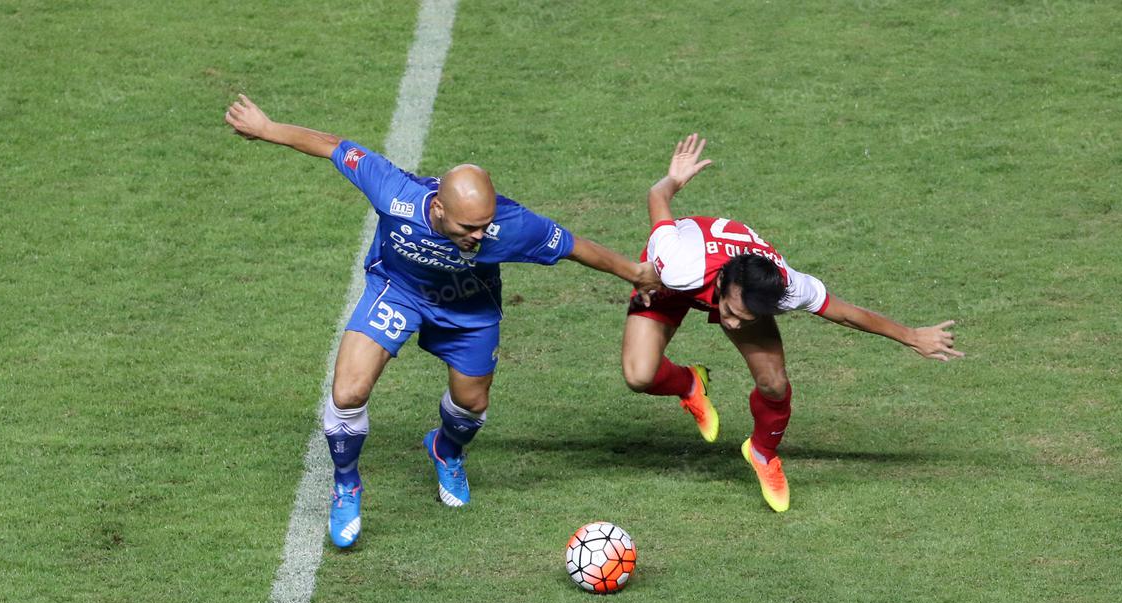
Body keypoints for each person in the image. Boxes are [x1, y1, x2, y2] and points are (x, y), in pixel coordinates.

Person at [225, 94, 661, 548]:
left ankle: (446, 451)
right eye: (468, 228)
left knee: (471, 404)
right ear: (438, 210)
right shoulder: (395, 193)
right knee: (348, 390)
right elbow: (335, 146)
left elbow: (574, 246)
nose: (478, 237)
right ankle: (346, 484)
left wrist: (633, 272)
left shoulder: (509, 226)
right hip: (398, 291)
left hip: (468, 309)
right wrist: (267, 127)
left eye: (484, 226)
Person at [622, 134, 963, 512]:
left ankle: (763, 452)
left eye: (744, 318)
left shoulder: (786, 287)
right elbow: (657, 198)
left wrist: (911, 336)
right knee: (639, 375)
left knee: (774, 383)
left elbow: (847, 313)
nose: (732, 324)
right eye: (730, 313)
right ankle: (688, 383)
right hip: (668, 281)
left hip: (724, 281)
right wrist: (674, 179)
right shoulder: (678, 263)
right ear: (721, 286)